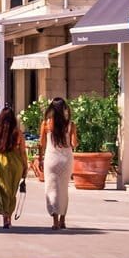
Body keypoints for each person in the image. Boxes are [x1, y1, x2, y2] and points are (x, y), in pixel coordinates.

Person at [38, 97, 78, 230]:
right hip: (66, 159)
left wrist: (39, 158)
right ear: (64, 109)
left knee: (51, 189)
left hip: (51, 159)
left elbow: (41, 143)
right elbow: (74, 144)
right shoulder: (70, 125)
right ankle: (63, 220)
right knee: (64, 189)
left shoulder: (46, 124)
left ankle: (55, 220)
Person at [0, 105, 27, 228]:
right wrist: (25, 167)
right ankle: (9, 216)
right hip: (15, 163)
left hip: (0, 162)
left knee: (2, 190)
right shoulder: (18, 133)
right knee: (12, 191)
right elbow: (22, 152)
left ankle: (5, 216)